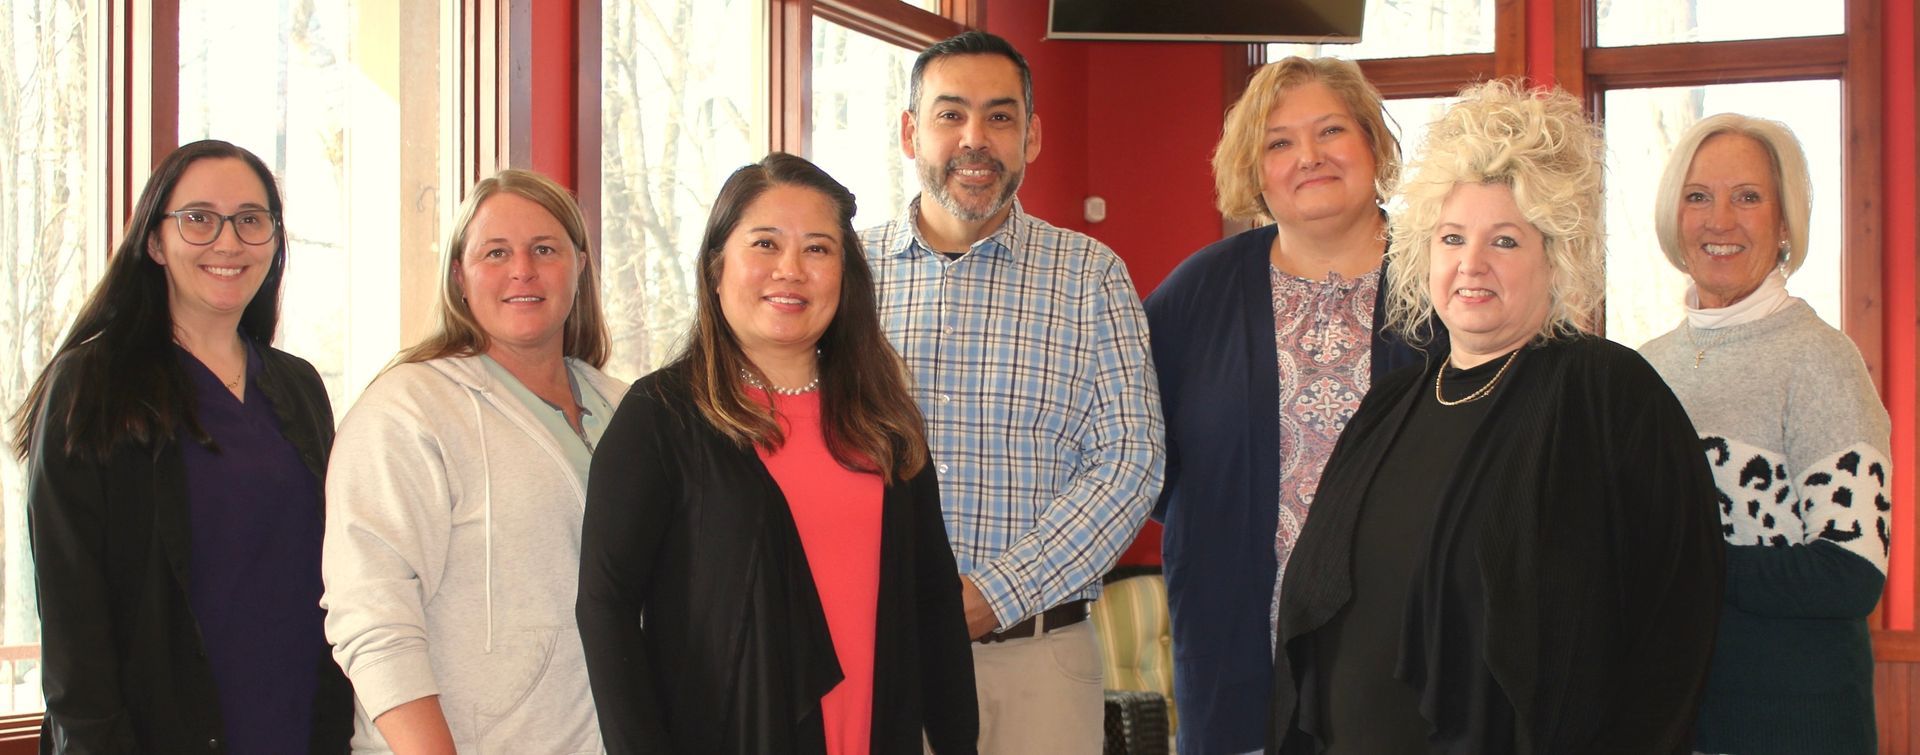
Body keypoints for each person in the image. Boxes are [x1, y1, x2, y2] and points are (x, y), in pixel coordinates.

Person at [1268, 81, 1725, 753]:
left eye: (1505, 241)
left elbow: (1676, 628)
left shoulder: (1608, 396)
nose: (1471, 263)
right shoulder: (1390, 406)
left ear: (1556, 255)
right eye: (1452, 237)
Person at [577, 152, 978, 753]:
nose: (790, 269)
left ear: (846, 275)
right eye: (765, 244)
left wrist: (957, 743)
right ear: (717, 267)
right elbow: (606, 609)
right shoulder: (661, 414)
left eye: (818, 249)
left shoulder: (886, 421)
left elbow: (933, 602)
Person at [860, 30, 1165, 751]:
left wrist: (994, 592)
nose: (976, 139)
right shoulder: (846, 272)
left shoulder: (1089, 273)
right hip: (878, 656)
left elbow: (1132, 459)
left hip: (1041, 663)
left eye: (1000, 117)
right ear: (911, 131)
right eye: (950, 114)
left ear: (1032, 136)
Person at [18, 139, 350, 753]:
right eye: (198, 218)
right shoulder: (93, 384)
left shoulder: (298, 385)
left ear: (274, 242)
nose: (228, 242)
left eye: (252, 220)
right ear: (154, 242)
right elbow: (72, 612)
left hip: (301, 726)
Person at [1143, 56, 1434, 754]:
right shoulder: (1195, 294)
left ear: (1372, 143)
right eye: (1279, 142)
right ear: (1255, 168)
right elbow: (1143, 454)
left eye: (1331, 130)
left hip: (1414, 660)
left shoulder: (1446, 277)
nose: (1309, 157)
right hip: (1239, 660)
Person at [321, 168, 622, 753]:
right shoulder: (408, 410)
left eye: (545, 249)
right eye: (495, 252)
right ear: (459, 275)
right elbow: (371, 614)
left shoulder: (626, 407)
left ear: (580, 266)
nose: (522, 271)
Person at [1638, 114, 1892, 755]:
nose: (1718, 219)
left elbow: (1850, 574)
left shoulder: (1822, 360)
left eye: (1747, 197)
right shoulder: (1644, 366)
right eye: (1698, 196)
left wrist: (1686, 565)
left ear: (1784, 224)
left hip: (1792, 725)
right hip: (1669, 716)